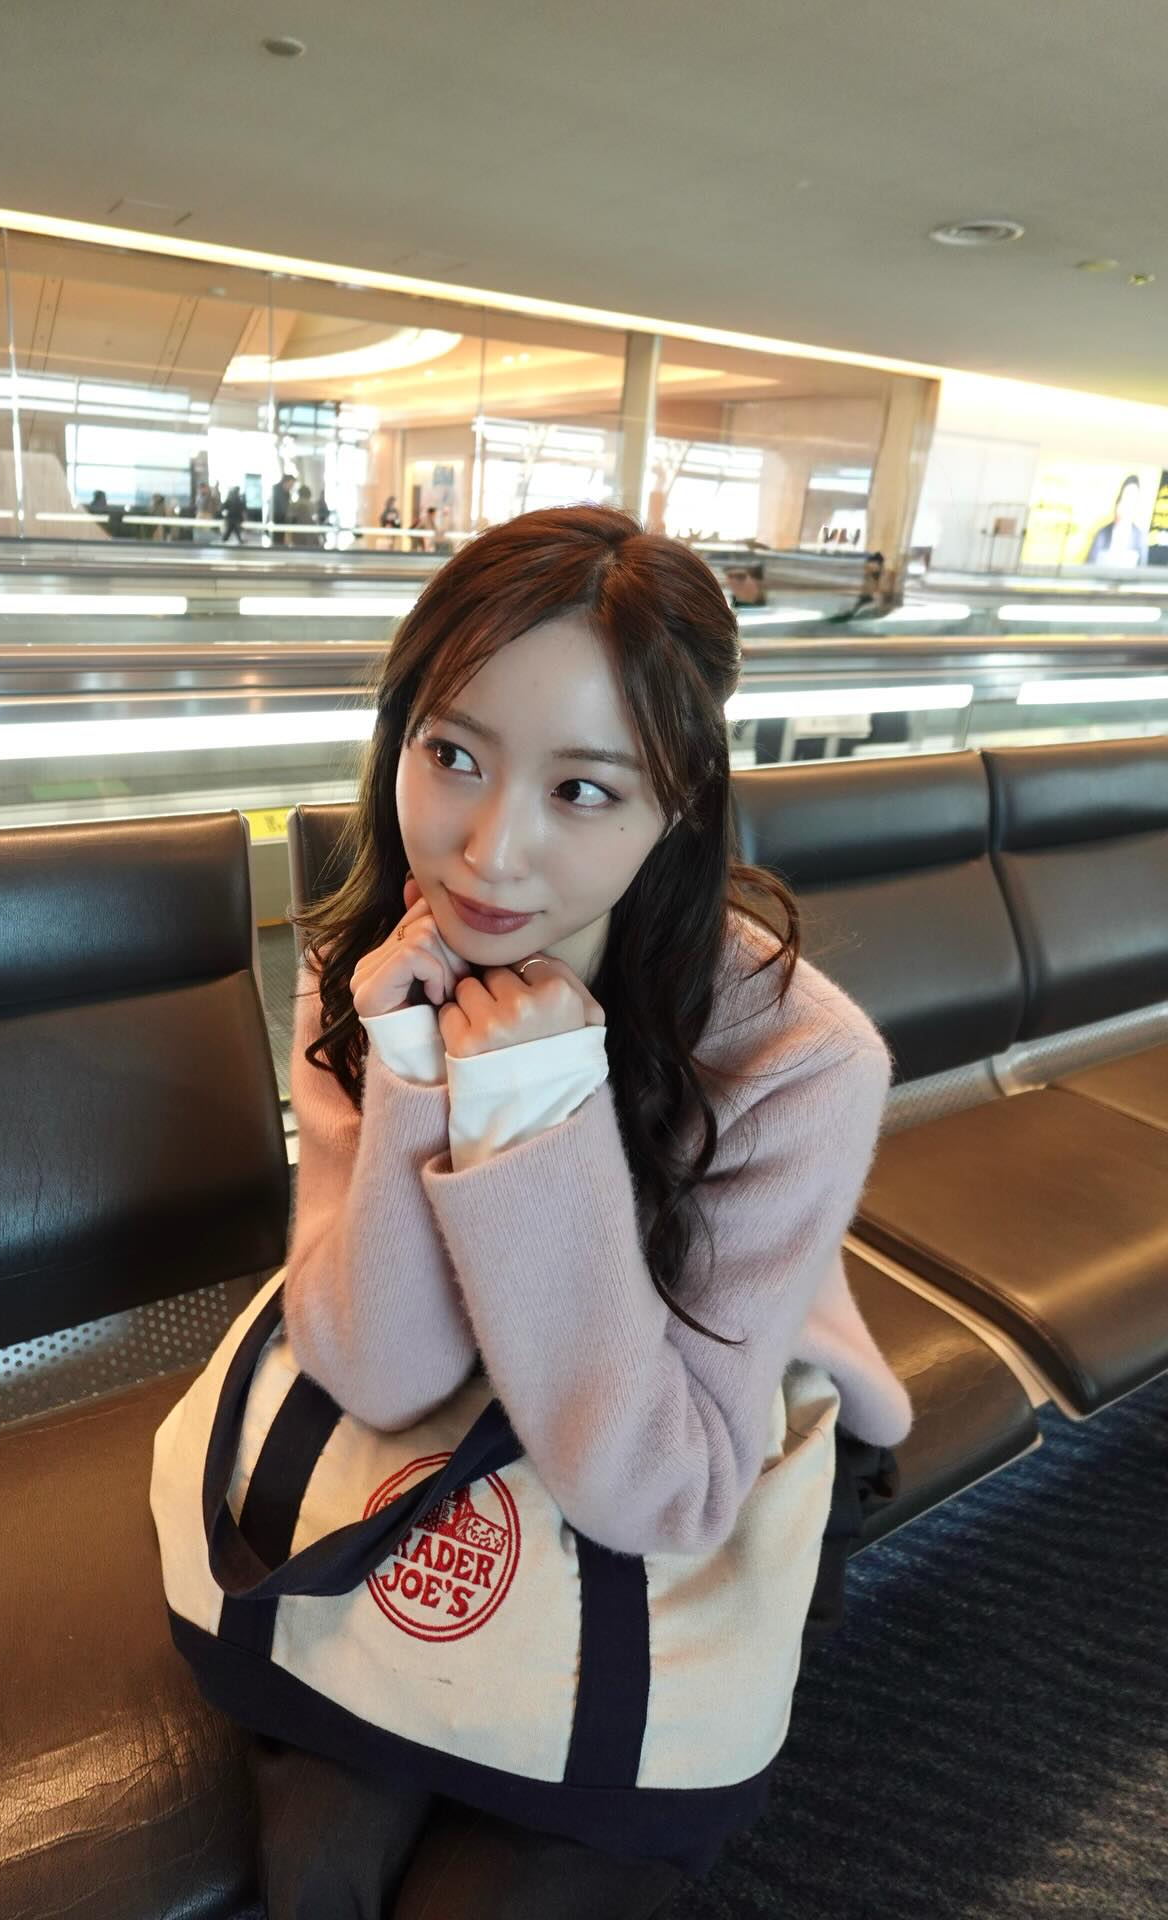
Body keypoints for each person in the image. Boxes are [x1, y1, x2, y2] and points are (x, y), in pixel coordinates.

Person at [258, 505, 913, 1916]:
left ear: (678, 806)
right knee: (317, 1860)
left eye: (584, 790)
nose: (489, 854)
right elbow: (380, 1368)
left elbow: (659, 1489)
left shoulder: (797, 1059)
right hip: (453, 1424)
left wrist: (537, 1108)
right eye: (453, 756)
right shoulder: (367, 972)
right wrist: (418, 1072)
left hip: (694, 1449)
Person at [1086, 474, 1147, 566]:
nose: (1126, 505)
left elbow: (1142, 570)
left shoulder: (1140, 537)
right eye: (1124, 499)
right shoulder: (1102, 534)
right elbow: (1089, 565)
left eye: (1131, 501)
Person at [270, 473, 293, 547]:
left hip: (282, 521)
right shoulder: (276, 490)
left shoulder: (287, 493)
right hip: (276, 520)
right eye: (290, 484)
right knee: (277, 543)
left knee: (281, 542)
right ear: (285, 482)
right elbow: (283, 507)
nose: (291, 487)